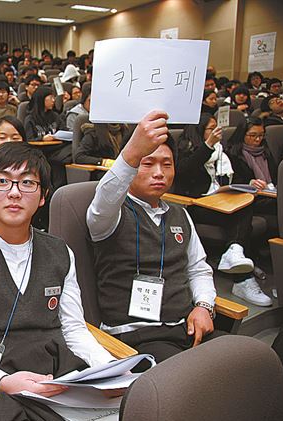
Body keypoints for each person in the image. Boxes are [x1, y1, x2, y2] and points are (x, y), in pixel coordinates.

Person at [0, 143, 117, 421]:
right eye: (2, 181)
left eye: (28, 182)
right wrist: (4, 381)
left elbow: (74, 330)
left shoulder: (60, 252)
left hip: (58, 379)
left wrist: (108, 370)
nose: (15, 192)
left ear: (43, 196)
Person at [87, 110, 225, 365]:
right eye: (147, 163)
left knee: (246, 362)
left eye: (167, 164)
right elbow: (104, 198)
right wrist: (131, 154)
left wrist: (204, 306)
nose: (159, 172)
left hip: (187, 326)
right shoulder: (110, 215)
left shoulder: (180, 214)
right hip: (136, 338)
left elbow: (198, 269)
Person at [175, 113, 272, 306]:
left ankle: (235, 254)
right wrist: (207, 146)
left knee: (245, 201)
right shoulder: (187, 150)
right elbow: (184, 174)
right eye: (211, 129)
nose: (217, 132)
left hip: (221, 200)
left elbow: (228, 179)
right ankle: (242, 276)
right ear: (200, 131)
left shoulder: (220, 151)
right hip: (198, 205)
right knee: (241, 211)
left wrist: (248, 183)